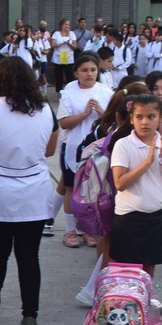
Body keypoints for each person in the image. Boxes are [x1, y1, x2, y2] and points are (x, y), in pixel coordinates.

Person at [0, 57, 59, 325]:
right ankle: (30, 314)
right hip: (34, 191)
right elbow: (50, 150)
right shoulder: (46, 109)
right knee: (29, 255)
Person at [109, 94, 162, 281]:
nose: (145, 122)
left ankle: (143, 305)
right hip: (128, 217)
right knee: (124, 272)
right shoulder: (123, 145)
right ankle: (122, 308)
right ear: (131, 119)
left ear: (159, 119)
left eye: (151, 117)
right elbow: (120, 183)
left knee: (147, 271)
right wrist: (148, 162)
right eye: (139, 117)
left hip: (155, 217)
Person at [56, 53, 113, 247]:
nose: (89, 74)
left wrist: (101, 113)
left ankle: (89, 229)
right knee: (72, 189)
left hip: (99, 149)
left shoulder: (105, 92)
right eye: (84, 70)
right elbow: (64, 122)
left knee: (94, 190)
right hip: (74, 146)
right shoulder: (69, 92)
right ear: (76, 72)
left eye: (93, 70)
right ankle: (70, 230)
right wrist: (85, 114)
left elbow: (114, 121)